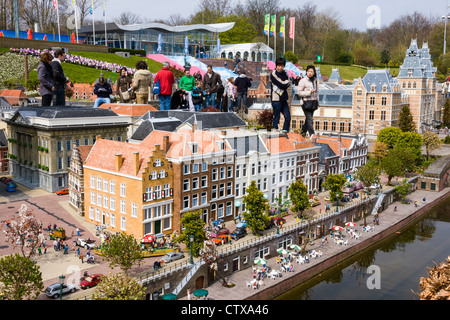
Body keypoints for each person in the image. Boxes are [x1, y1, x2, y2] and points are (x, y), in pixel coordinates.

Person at [295, 65, 319, 139]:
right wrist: (309, 92)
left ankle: (302, 135)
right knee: (310, 120)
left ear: (314, 72)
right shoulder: (303, 81)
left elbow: (317, 92)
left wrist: (317, 101)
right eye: (308, 71)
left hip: (313, 103)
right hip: (306, 103)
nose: (310, 73)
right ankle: (313, 136)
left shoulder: (315, 80)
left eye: (311, 71)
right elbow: (299, 93)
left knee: (307, 121)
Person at [270, 57, 291, 132]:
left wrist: (284, 84)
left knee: (288, 117)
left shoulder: (285, 73)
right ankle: (274, 130)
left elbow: (287, 83)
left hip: (284, 98)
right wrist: (285, 83)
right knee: (276, 116)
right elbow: (282, 84)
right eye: (279, 66)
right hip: (276, 99)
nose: (280, 67)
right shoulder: (273, 74)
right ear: (276, 66)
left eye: (282, 66)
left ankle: (285, 131)